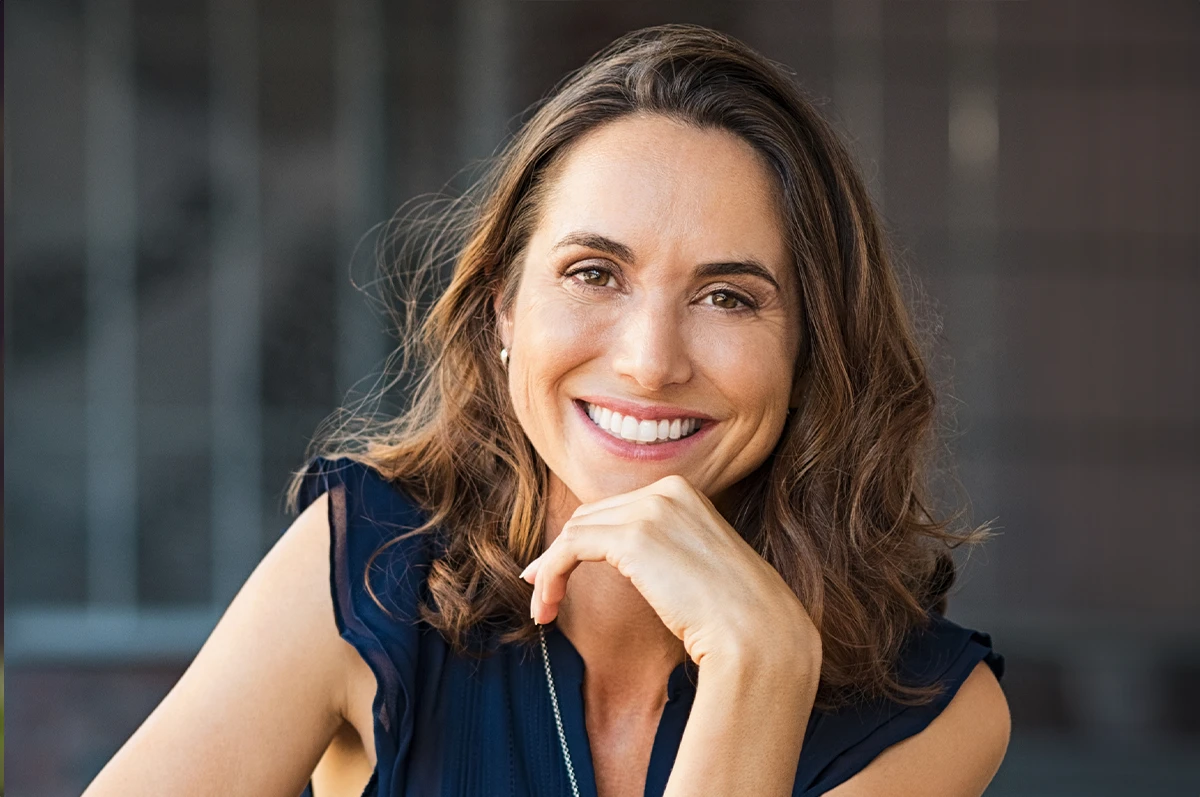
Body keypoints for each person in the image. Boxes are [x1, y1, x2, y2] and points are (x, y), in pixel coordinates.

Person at [83, 23, 1009, 797]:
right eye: (593, 274)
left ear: (812, 351)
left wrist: (755, 674)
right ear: (504, 314)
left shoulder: (934, 707)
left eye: (728, 296)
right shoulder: (367, 567)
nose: (649, 363)